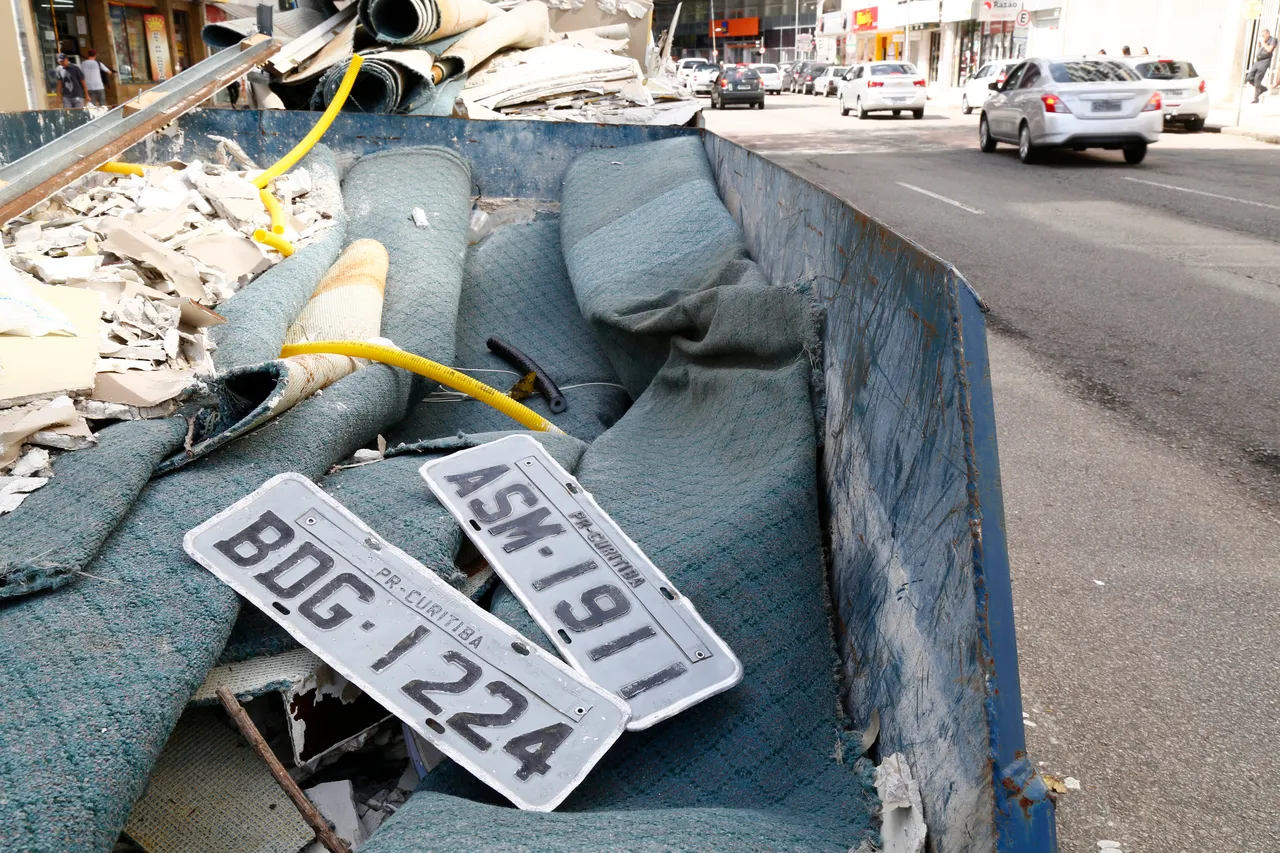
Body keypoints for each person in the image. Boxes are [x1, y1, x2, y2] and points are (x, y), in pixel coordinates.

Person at [1246, 28, 1277, 103]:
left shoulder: (1273, 40)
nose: (1262, 37)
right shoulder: (1264, 41)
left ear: (1268, 34)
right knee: (1249, 77)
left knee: (1257, 79)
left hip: (1264, 61)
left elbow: (1269, 50)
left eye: (1263, 35)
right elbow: (1260, 49)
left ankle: (1256, 98)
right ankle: (1262, 88)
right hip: (1258, 61)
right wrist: (1260, 43)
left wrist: (1263, 42)